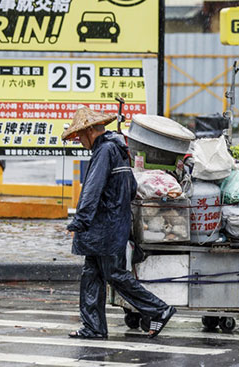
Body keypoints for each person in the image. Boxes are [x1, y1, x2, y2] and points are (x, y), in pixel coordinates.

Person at [62, 106, 176, 339]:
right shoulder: (118, 150)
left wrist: (80, 220)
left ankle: (159, 310)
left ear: (90, 131)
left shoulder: (104, 151)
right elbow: (131, 188)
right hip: (111, 224)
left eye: (79, 136)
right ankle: (93, 327)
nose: (79, 141)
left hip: (104, 227)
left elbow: (92, 190)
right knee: (91, 275)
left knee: (114, 274)